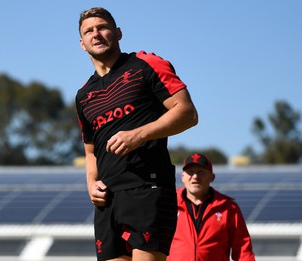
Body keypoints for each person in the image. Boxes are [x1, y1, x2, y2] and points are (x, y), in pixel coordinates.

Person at [75, 7, 198, 261]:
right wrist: (90, 183)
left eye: (103, 27)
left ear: (118, 33)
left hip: (148, 187)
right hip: (107, 200)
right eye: (89, 31)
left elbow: (187, 113)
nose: (96, 34)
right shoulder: (83, 95)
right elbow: (90, 152)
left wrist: (139, 135)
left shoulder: (146, 65)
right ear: (82, 44)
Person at [167, 153, 256, 261]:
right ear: (182, 177)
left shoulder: (228, 208)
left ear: (212, 177)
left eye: (201, 172)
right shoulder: (168, 203)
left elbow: (243, 249)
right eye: (190, 172)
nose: (195, 176)